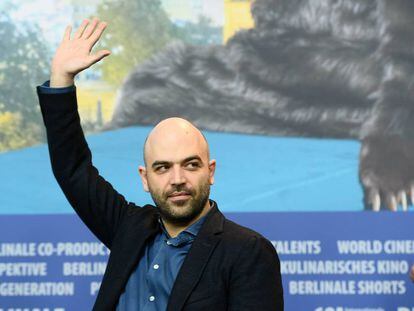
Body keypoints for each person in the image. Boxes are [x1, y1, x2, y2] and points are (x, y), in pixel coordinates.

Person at [37, 18, 284, 310]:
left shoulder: (248, 251)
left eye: (190, 165)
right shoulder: (128, 229)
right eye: (163, 167)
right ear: (145, 178)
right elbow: (73, 170)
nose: (177, 178)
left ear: (211, 170)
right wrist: (61, 80)